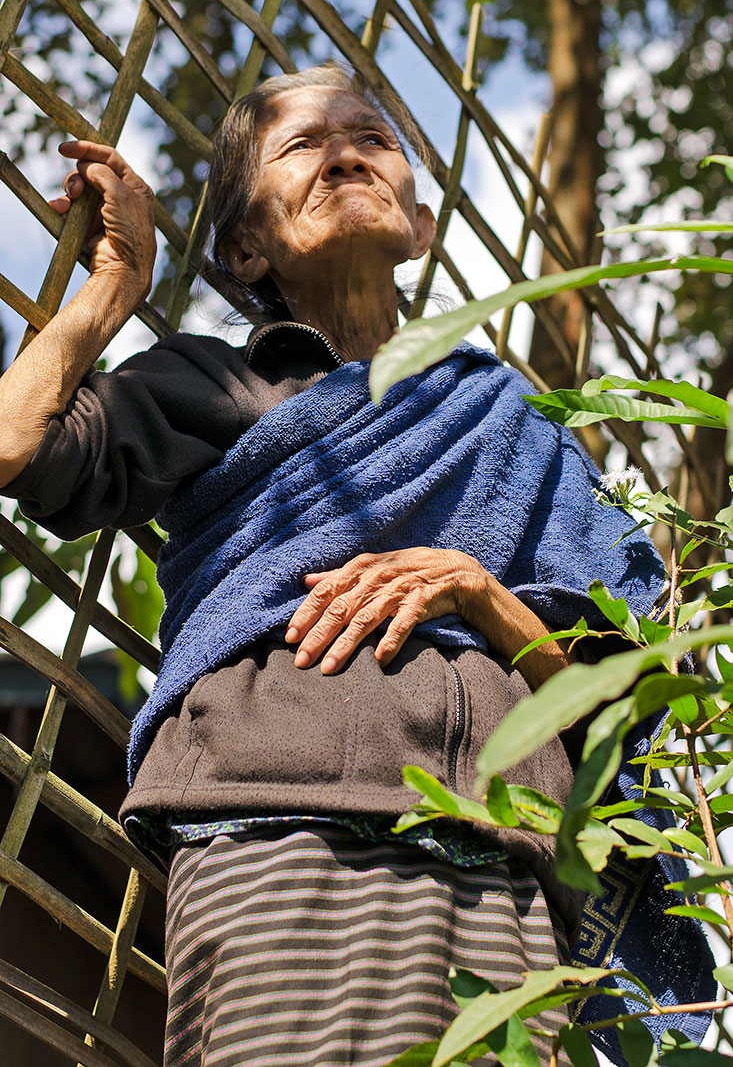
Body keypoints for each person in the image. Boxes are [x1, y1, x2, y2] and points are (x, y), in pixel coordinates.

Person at [0, 63, 672, 1067]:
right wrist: (114, 285)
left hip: (496, 845)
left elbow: (620, 703)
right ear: (244, 246)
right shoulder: (212, 383)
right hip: (266, 822)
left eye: (372, 139)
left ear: (422, 226)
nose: (346, 155)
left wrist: (476, 591)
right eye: (303, 145)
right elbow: (13, 443)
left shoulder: (514, 426)